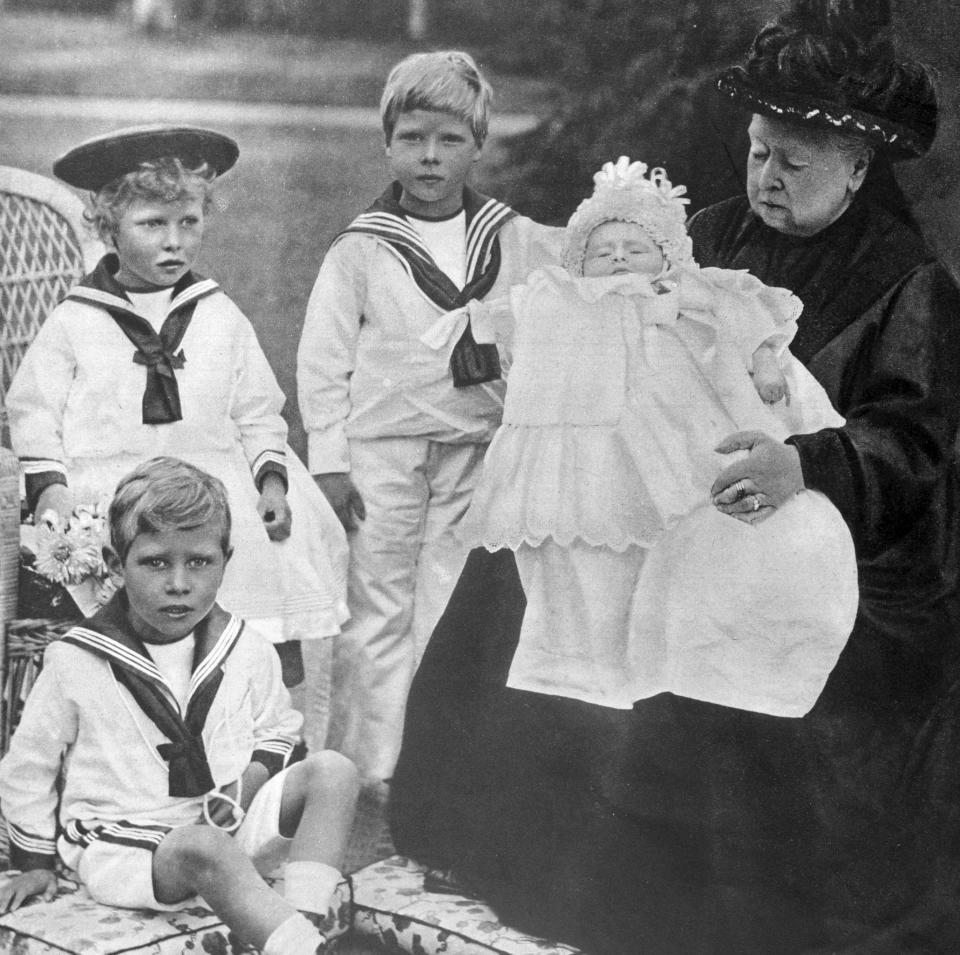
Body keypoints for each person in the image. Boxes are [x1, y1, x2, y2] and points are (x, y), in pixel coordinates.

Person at [391, 11, 960, 954]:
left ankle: (668, 892)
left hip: (839, 518)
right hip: (671, 480)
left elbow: (912, 443)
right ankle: (489, 829)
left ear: (860, 167)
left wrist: (802, 465)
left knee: (708, 615)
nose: (767, 180)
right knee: (532, 560)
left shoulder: (908, 284)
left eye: (796, 163)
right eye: (757, 153)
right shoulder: (702, 236)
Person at [430, 155, 856, 715]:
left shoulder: (684, 291)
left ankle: (668, 665)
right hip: (579, 450)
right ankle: (581, 671)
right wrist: (474, 325)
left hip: (668, 440)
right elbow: (509, 314)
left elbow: (744, 314)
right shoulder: (562, 295)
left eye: (635, 250)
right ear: (579, 264)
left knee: (667, 553)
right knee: (578, 559)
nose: (618, 260)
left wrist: (764, 360)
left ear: (666, 257)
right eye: (602, 253)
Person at [5, 125, 349, 718]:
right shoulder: (76, 321)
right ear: (109, 227)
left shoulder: (219, 314)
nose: (174, 243)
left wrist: (269, 481)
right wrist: (52, 483)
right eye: (152, 225)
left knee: (260, 586)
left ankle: (261, 722)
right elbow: (33, 409)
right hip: (115, 491)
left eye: (188, 223)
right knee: (138, 604)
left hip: (214, 486)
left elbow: (257, 408)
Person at [297, 50, 558, 783]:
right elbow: (324, 357)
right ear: (388, 145)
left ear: (478, 144)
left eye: (448, 139)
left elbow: (571, 296)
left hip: (474, 447)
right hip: (380, 449)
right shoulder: (362, 247)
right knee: (375, 600)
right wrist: (330, 459)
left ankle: (434, 763)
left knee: (450, 596)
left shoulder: (512, 239)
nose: (431, 156)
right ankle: (362, 771)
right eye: (412, 138)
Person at [0, 457, 359, 955]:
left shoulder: (244, 646)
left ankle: (304, 928)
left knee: (334, 771)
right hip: (122, 843)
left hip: (221, 822)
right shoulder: (75, 659)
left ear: (225, 560)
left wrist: (245, 785)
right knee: (202, 848)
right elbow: (28, 767)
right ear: (113, 561)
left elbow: (279, 729)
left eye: (199, 562)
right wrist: (34, 861)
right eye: (155, 562)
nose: (178, 583)